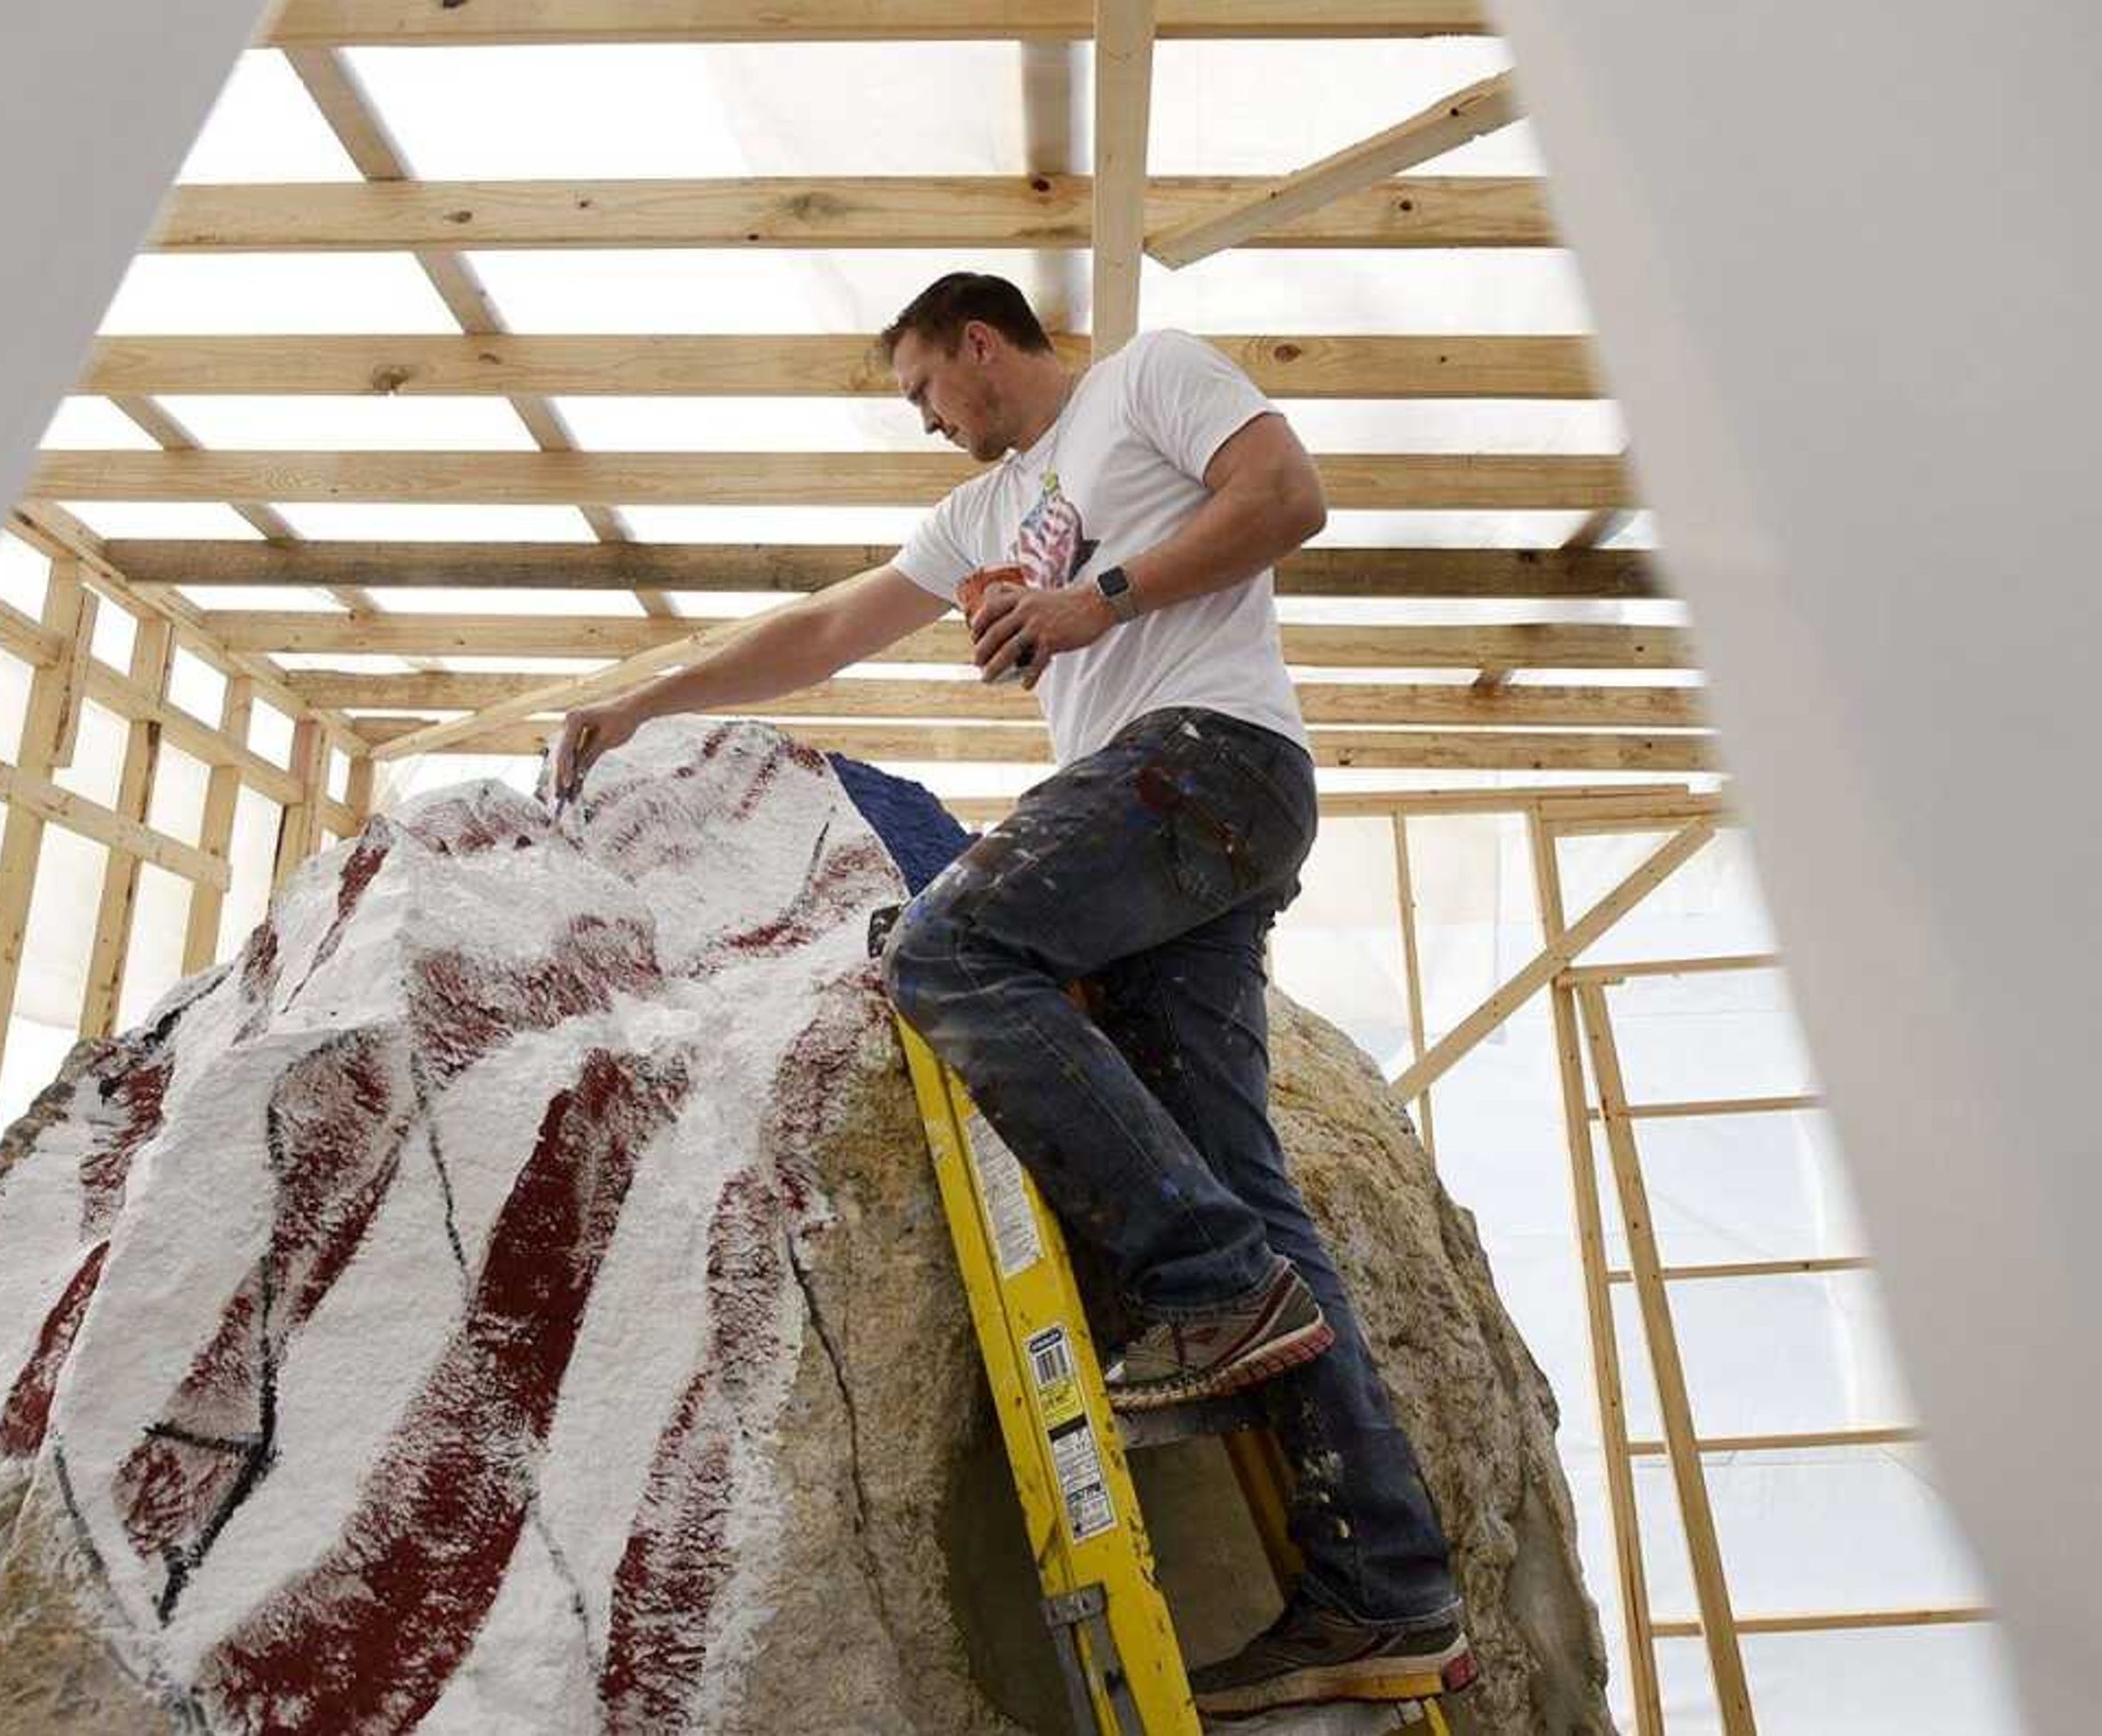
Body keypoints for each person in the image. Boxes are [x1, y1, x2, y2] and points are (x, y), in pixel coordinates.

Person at [552, 271, 1467, 1715]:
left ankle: (1208, 1283)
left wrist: (1094, 598)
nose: (927, 422)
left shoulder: (1145, 379)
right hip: (1176, 828)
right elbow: (828, 626)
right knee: (1252, 1183)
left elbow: (1288, 495)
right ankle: (1387, 1590)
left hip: (1211, 758)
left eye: (926, 388)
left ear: (981, 341)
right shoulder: (982, 514)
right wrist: (649, 695)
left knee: (943, 948)